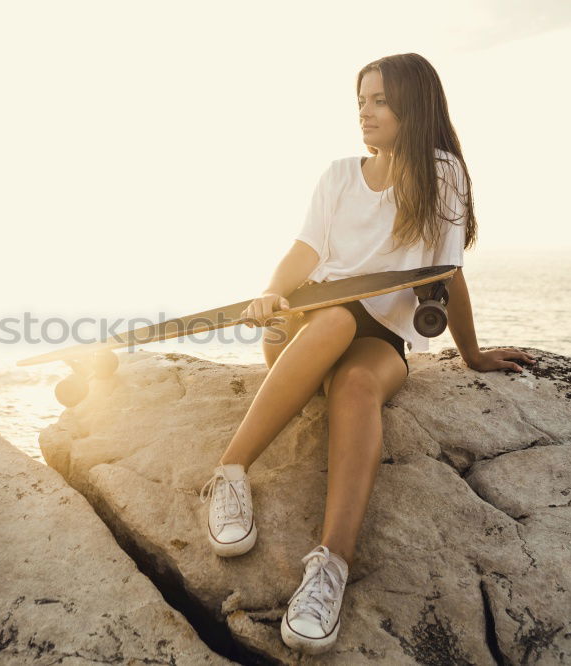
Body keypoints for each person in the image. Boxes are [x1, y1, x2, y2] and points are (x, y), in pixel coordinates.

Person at [197, 53, 537, 655]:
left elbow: (447, 273)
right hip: (304, 325)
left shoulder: (442, 173)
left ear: (415, 103)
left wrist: (473, 353)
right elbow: (304, 251)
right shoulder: (337, 175)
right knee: (330, 320)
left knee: (357, 389)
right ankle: (228, 473)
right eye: (361, 100)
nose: (365, 111)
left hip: (384, 338)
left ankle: (329, 568)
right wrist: (273, 292)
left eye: (379, 100)